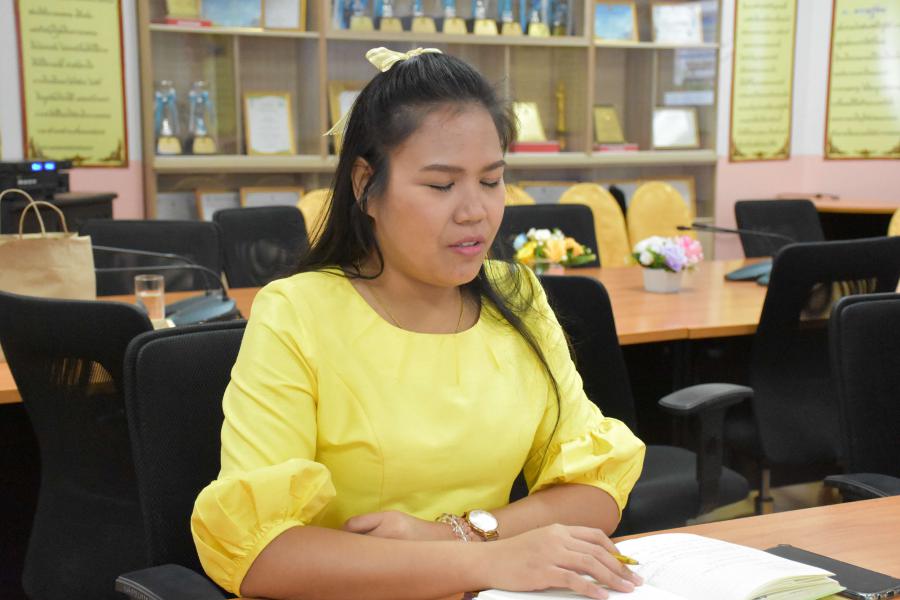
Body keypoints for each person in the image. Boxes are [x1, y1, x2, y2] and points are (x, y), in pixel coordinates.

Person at [191, 47, 646, 600]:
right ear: (366, 185)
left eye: (491, 181)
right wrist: (488, 559)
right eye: (440, 186)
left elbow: (597, 488)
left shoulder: (516, 295)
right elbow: (262, 553)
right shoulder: (298, 311)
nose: (475, 211)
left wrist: (454, 536)